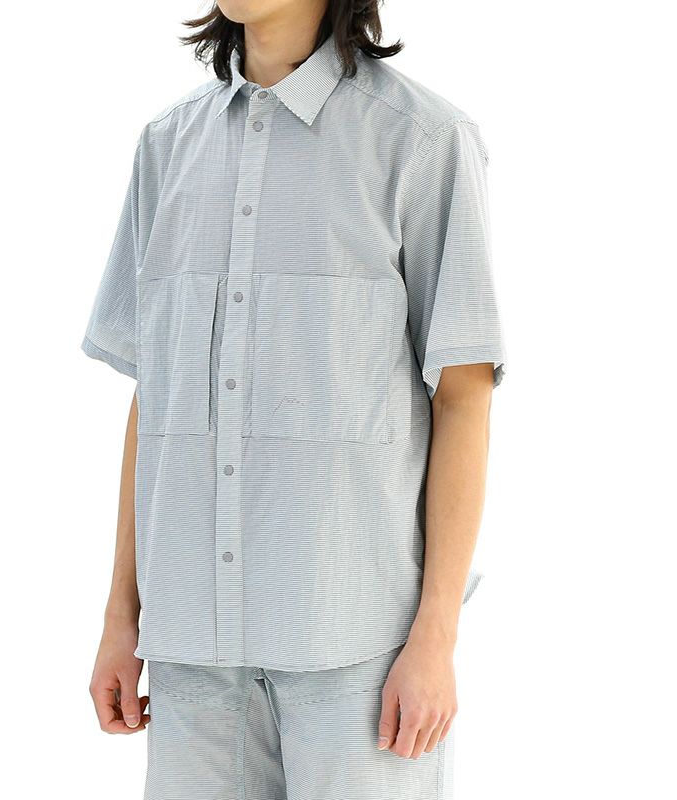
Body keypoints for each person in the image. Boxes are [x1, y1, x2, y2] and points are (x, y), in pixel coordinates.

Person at [82, 1, 506, 797]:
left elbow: (463, 397)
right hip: (191, 653)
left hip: (358, 656)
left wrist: (437, 635)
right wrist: (121, 616)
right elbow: (155, 398)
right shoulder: (167, 146)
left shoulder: (421, 140)